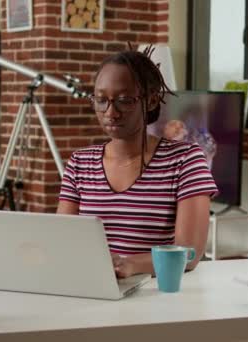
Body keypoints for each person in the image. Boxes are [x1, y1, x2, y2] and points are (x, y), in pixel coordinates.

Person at [57, 45, 218, 278]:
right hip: (91, 288)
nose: (110, 112)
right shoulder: (80, 163)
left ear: (151, 101)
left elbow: (189, 253)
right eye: (101, 100)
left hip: (154, 294)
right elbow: (62, 240)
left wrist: (130, 265)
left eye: (124, 100)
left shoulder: (185, 161)